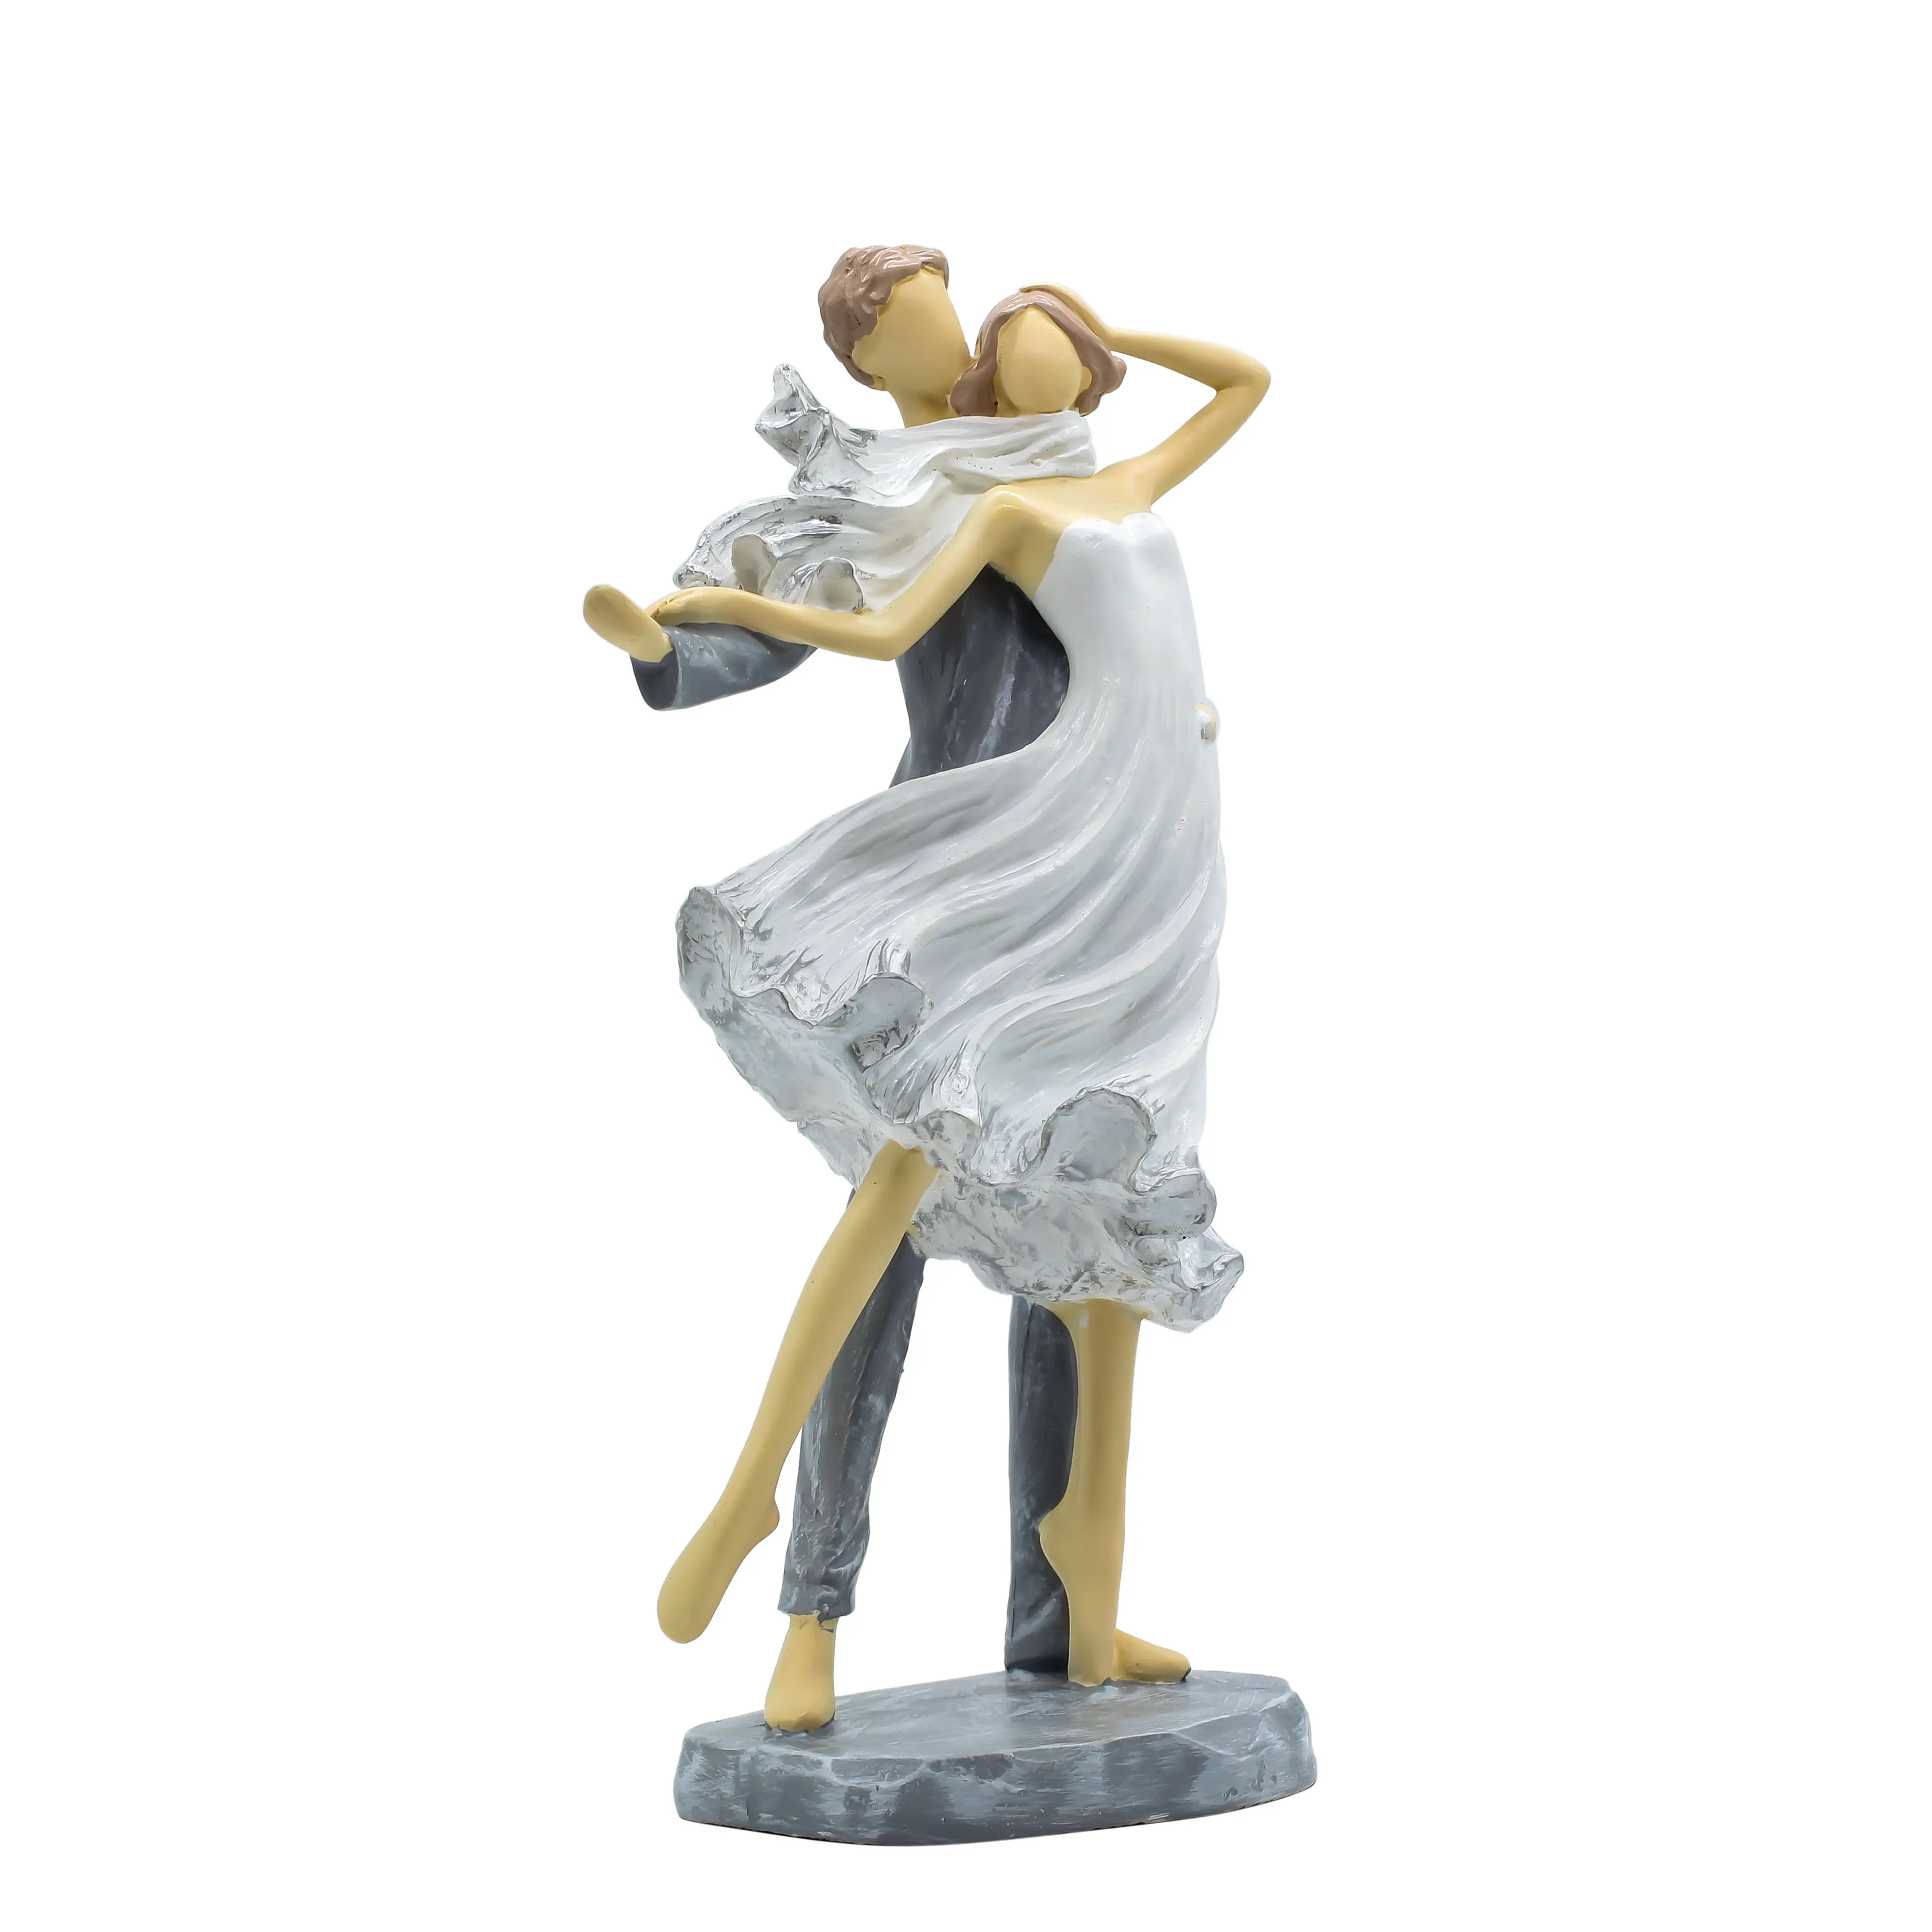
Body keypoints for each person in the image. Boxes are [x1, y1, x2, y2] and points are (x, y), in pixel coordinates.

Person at [619, 282, 1269, 1691]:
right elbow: (822, 616)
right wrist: (685, 643)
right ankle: (805, 1598)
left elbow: (1242, 384)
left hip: (1116, 872)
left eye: (966, 309)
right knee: (899, 1211)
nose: (965, 330)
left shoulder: (1051, 467)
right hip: (964, 874)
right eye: (923, 315)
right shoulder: (915, 492)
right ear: (868, 358)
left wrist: (1109, 329)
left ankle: (1068, 1614)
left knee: (1087, 1221)